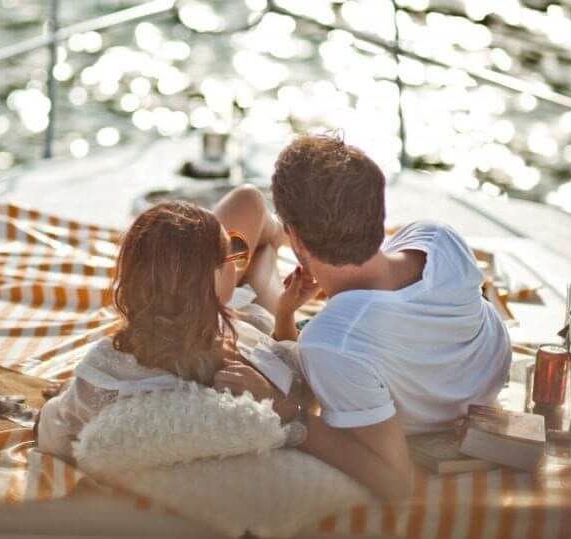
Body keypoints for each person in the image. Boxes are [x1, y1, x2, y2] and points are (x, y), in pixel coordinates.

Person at [219, 133, 512, 505]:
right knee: (257, 242)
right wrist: (288, 314)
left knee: (247, 204)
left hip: (427, 386)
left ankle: (270, 235)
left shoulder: (332, 342)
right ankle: (271, 237)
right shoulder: (438, 239)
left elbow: (394, 481)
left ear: (301, 245)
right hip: (480, 378)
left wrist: (287, 411)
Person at [35, 190, 312, 460]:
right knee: (255, 218)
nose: (239, 259)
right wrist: (286, 315)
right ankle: (295, 239)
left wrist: (67, 396)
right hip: (257, 315)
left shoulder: (103, 368)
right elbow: (306, 402)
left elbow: (51, 428)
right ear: (210, 280)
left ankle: (283, 236)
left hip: (218, 307)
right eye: (233, 254)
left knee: (249, 204)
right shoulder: (244, 374)